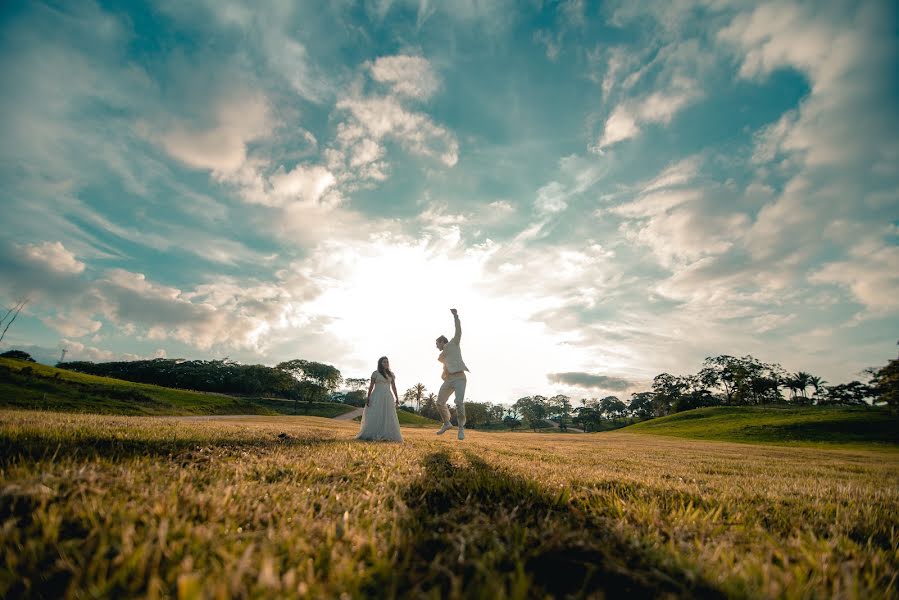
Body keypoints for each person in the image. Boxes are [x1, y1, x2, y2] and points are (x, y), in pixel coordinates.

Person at [435, 308, 469, 440]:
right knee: (439, 402)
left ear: (442, 342)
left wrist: (456, 316)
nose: (436, 346)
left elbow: (458, 330)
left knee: (459, 402)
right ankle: (447, 423)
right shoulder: (441, 356)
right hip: (448, 380)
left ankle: (461, 428)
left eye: (437, 343)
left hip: (460, 377)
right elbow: (445, 367)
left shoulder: (453, 343)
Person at [356, 356, 403, 442]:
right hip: (377, 395)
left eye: (387, 362)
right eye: (384, 362)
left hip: (388, 396)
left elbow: (393, 387)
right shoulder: (375, 373)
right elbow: (371, 386)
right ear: (380, 363)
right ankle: (372, 433)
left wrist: (397, 397)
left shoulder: (391, 374)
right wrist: (368, 396)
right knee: (376, 413)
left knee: (388, 414)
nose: (386, 363)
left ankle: (387, 434)